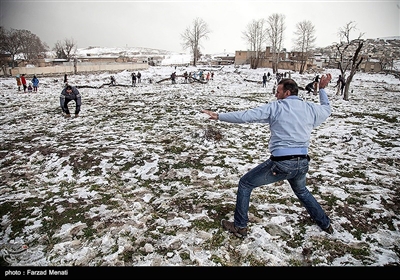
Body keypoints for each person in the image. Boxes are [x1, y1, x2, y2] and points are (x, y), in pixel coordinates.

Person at [201, 74, 334, 238]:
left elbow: (246, 116)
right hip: (302, 163)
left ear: (286, 93)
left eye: (278, 91)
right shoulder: (310, 109)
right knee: (302, 191)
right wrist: (322, 90)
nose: (275, 95)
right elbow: (327, 109)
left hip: (282, 163)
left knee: (245, 183)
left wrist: (219, 116)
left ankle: (240, 226)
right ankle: (325, 224)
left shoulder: (276, 107)